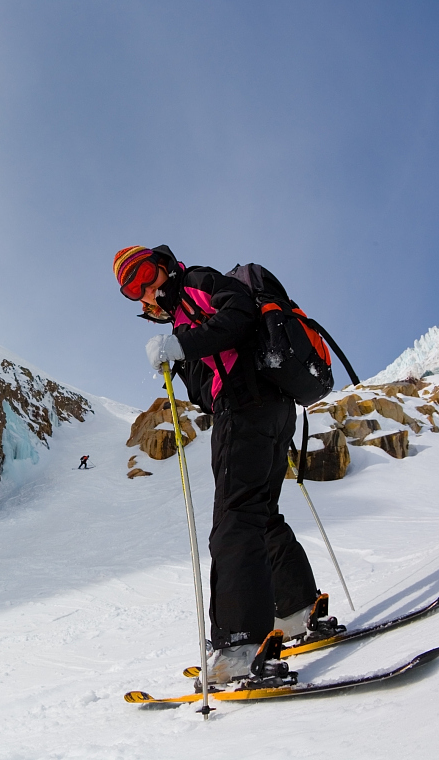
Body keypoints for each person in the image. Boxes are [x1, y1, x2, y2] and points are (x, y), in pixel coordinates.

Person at [112, 244, 331, 685]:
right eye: (133, 289)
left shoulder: (196, 283)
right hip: (272, 409)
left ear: (163, 266)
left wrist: (182, 344)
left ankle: (239, 646)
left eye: (146, 274)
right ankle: (298, 610)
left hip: (245, 408)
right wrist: (181, 356)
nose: (145, 289)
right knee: (260, 515)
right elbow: (206, 383)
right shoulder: (183, 317)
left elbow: (239, 315)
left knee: (233, 520)